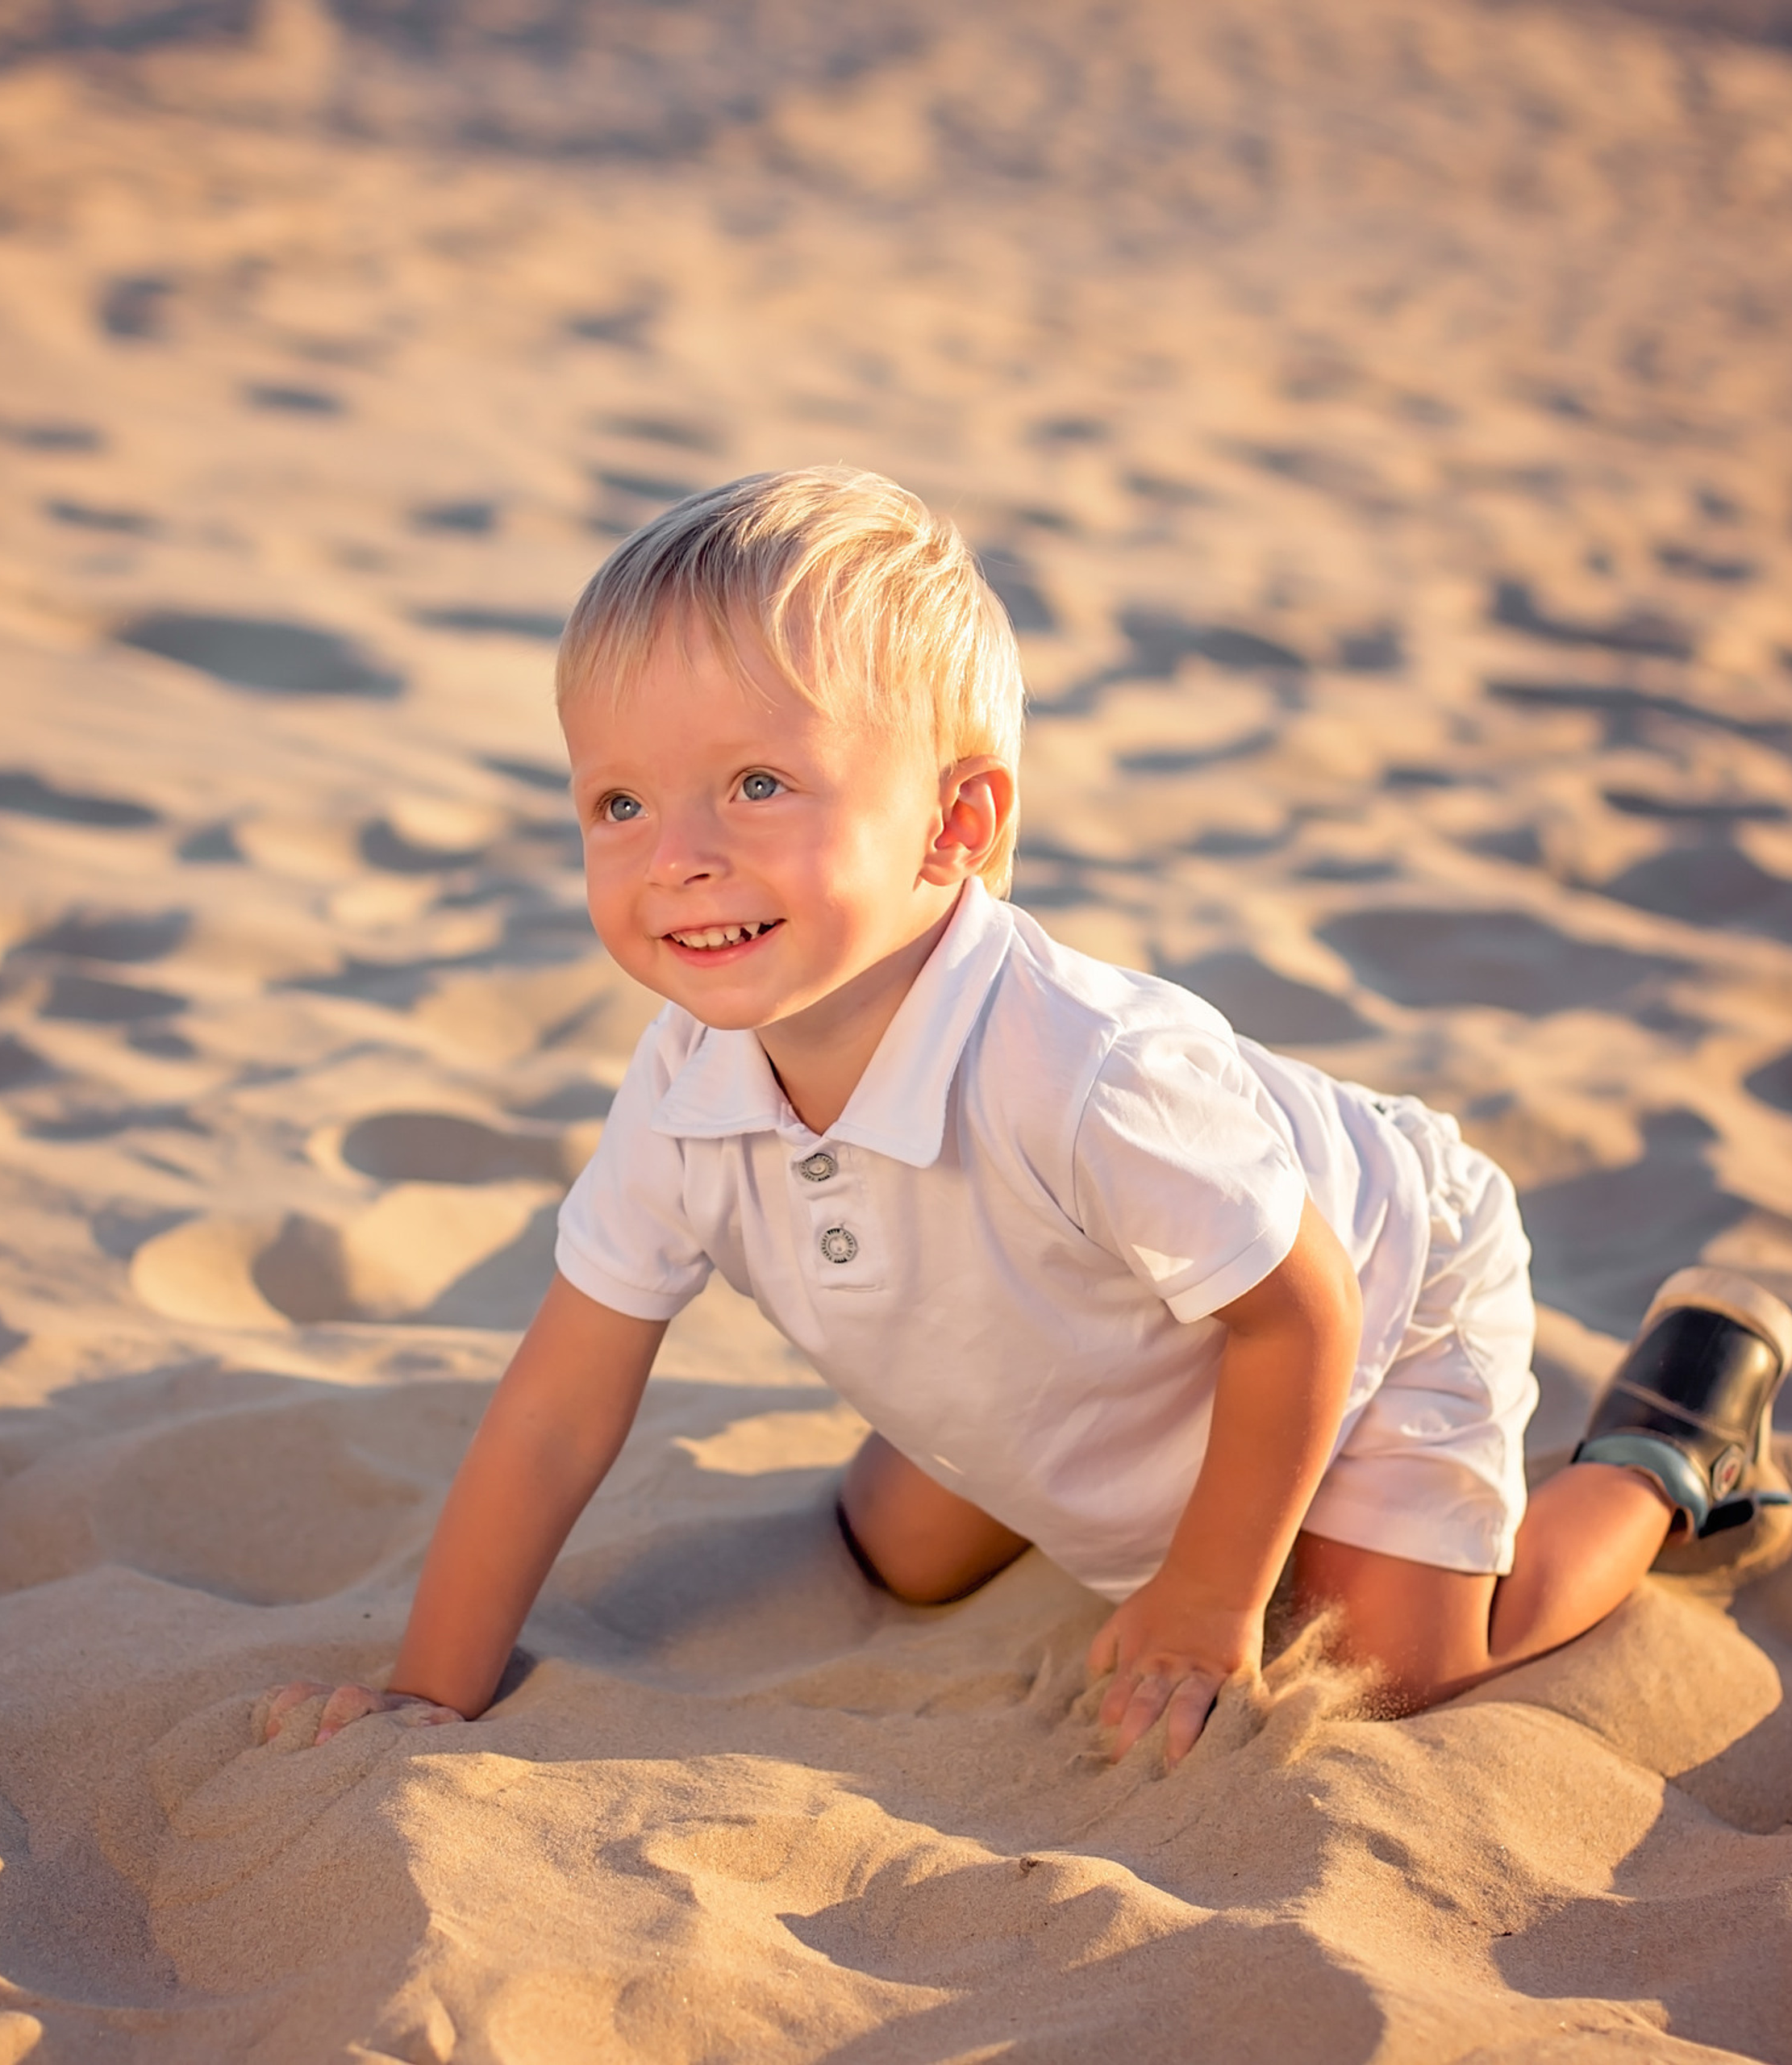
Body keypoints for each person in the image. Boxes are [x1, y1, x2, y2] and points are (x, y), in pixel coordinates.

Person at [266, 466, 1791, 1770]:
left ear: (955, 825)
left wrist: (1205, 1603)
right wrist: (428, 1688)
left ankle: (1663, 1451)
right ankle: (1076, 1443)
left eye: (757, 784)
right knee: (901, 1553)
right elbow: (555, 1411)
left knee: (1396, 1673)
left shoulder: (1089, 1073)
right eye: (620, 805)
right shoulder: (681, 1094)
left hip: (1377, 1290)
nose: (678, 857)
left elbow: (1301, 1315)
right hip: (1134, 1316)